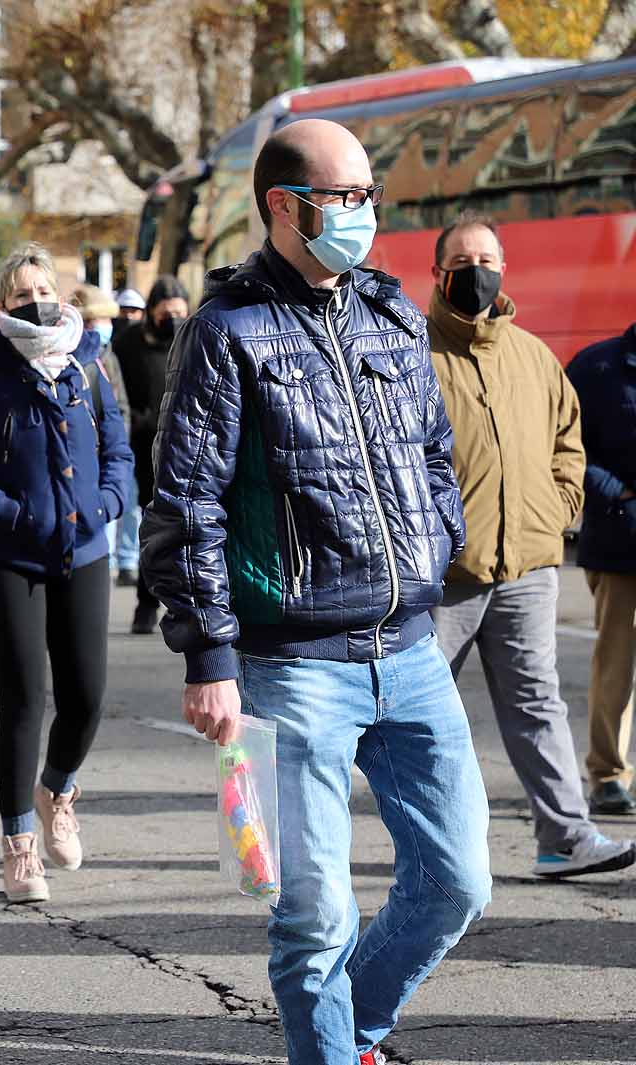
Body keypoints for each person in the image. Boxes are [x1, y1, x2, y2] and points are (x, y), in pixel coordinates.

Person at [141, 118, 491, 1065]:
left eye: (370, 195)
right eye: (347, 198)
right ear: (284, 208)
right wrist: (207, 655)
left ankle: (353, 1030)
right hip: (291, 668)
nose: (365, 215)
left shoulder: (390, 313)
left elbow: (429, 454)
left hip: (411, 654)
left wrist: (435, 548)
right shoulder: (227, 331)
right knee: (312, 910)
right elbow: (186, 501)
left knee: (459, 881)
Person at [426, 215, 634, 878]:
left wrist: (558, 511)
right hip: (443, 576)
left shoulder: (534, 355)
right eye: (463, 259)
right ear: (438, 272)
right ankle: (431, 850)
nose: (476, 269)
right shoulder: (410, 355)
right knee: (421, 719)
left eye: (487, 257)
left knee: (539, 702)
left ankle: (565, 836)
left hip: (528, 569)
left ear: (504, 269)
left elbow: (568, 443)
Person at [0, 245, 134, 905]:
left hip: (84, 548)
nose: (37, 303)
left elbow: (117, 444)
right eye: (22, 296)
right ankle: (19, 846)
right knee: (24, 700)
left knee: (86, 694)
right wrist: (10, 513)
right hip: (10, 555)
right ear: (3, 307)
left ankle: (57, 788)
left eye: (44, 290)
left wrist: (109, 503)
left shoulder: (89, 362)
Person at [568, 321, 636, 815]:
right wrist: (617, 493)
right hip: (623, 543)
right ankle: (609, 775)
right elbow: (565, 442)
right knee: (618, 665)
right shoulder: (597, 368)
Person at [115, 276, 189, 631]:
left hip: (191, 445)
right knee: (154, 527)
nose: (172, 318)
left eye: (179, 312)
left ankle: (187, 605)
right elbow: (121, 396)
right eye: (166, 313)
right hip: (147, 446)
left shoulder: (193, 336)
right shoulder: (131, 342)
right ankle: (147, 602)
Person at [70, 286, 137, 582]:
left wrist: (119, 446)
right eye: (99, 321)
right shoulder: (71, 359)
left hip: (107, 452)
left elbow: (120, 405)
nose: (106, 327)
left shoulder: (109, 357)